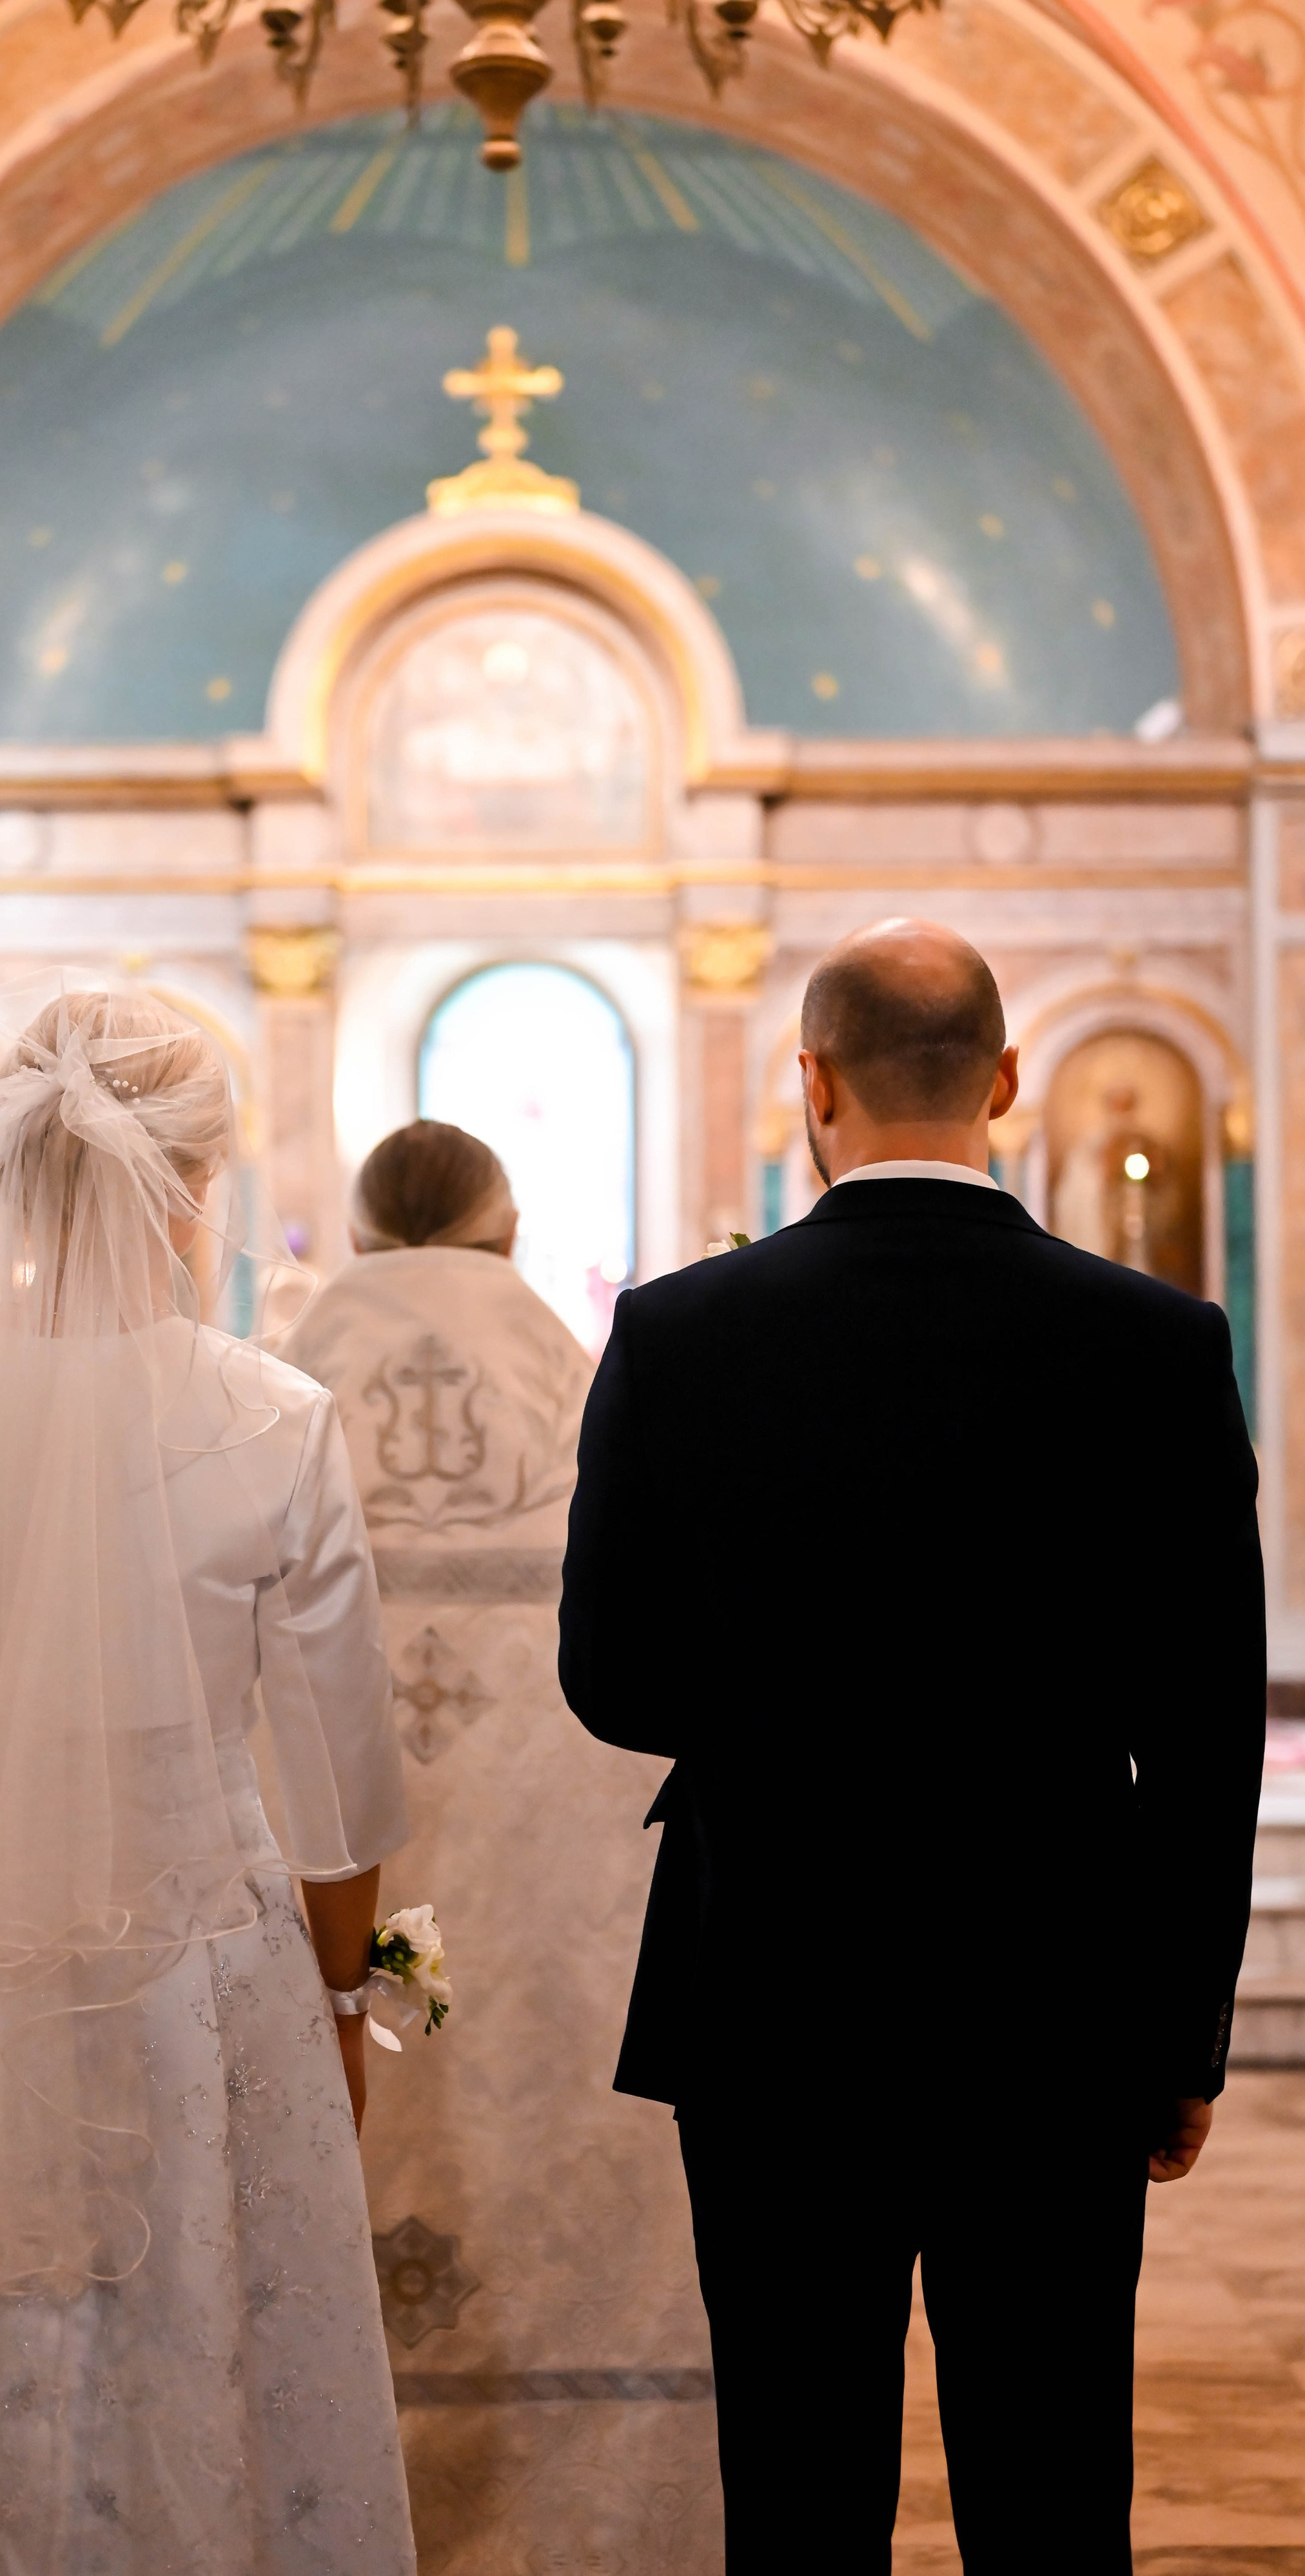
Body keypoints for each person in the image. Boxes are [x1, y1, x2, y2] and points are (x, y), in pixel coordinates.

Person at [558, 920, 1266, 2573]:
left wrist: (797, 1708)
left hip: (773, 1995)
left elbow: (609, 1677)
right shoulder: (1157, 1345)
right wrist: (1184, 2033)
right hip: (1060, 1998)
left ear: (808, 1083)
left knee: (798, 2498)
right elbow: (1209, 1732)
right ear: (1008, 1080)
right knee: (1048, 2489)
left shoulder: (677, 1336)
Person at [0, 985, 417, 2576]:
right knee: (208, 2327)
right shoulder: (275, 1417)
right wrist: (343, 2005)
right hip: (205, 1965)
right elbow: (337, 1784)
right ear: (194, 1183)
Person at [283, 1121, 719, 2570]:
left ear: (354, 1231)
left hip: (324, 1910)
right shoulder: (590, 1382)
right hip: (558, 1919)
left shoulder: (277, 1388)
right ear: (505, 1227)